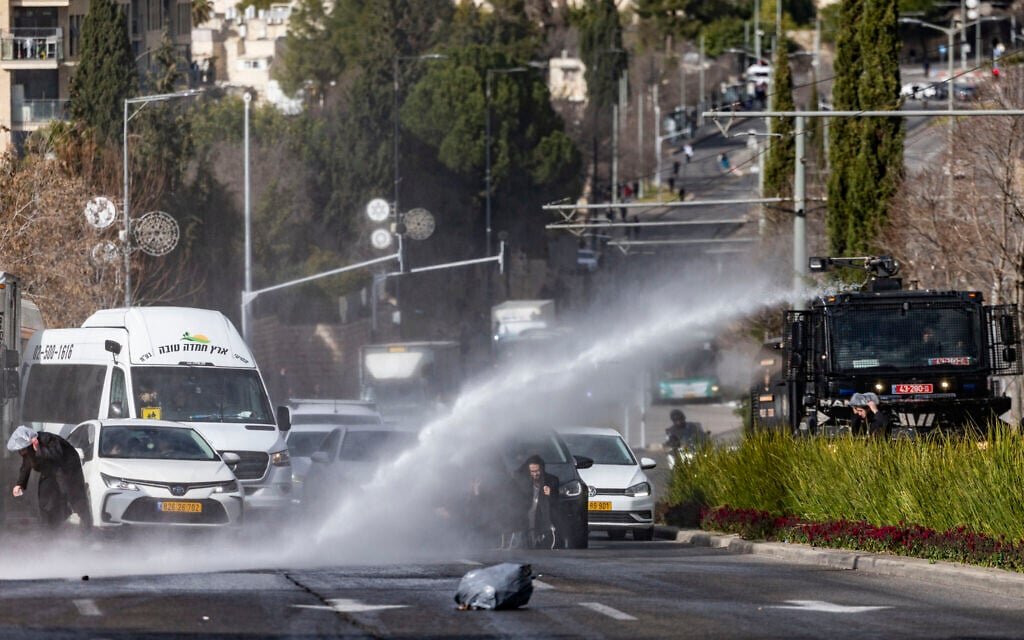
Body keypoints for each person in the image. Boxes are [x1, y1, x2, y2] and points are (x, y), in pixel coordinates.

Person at [8, 425, 93, 530]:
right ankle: (50, 530)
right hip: (50, 472)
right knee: (45, 498)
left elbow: (56, 456)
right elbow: (26, 466)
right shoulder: (29, 449)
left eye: (21, 449)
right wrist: (19, 484)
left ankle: (86, 527)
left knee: (74, 496)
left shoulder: (48, 439)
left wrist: (38, 449)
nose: (20, 452)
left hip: (67, 468)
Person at [518, 454, 559, 549]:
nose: (535, 474)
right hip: (526, 522)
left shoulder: (551, 481)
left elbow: (556, 504)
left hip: (543, 524)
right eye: (532, 471)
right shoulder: (522, 482)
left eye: (537, 471)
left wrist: (550, 494)